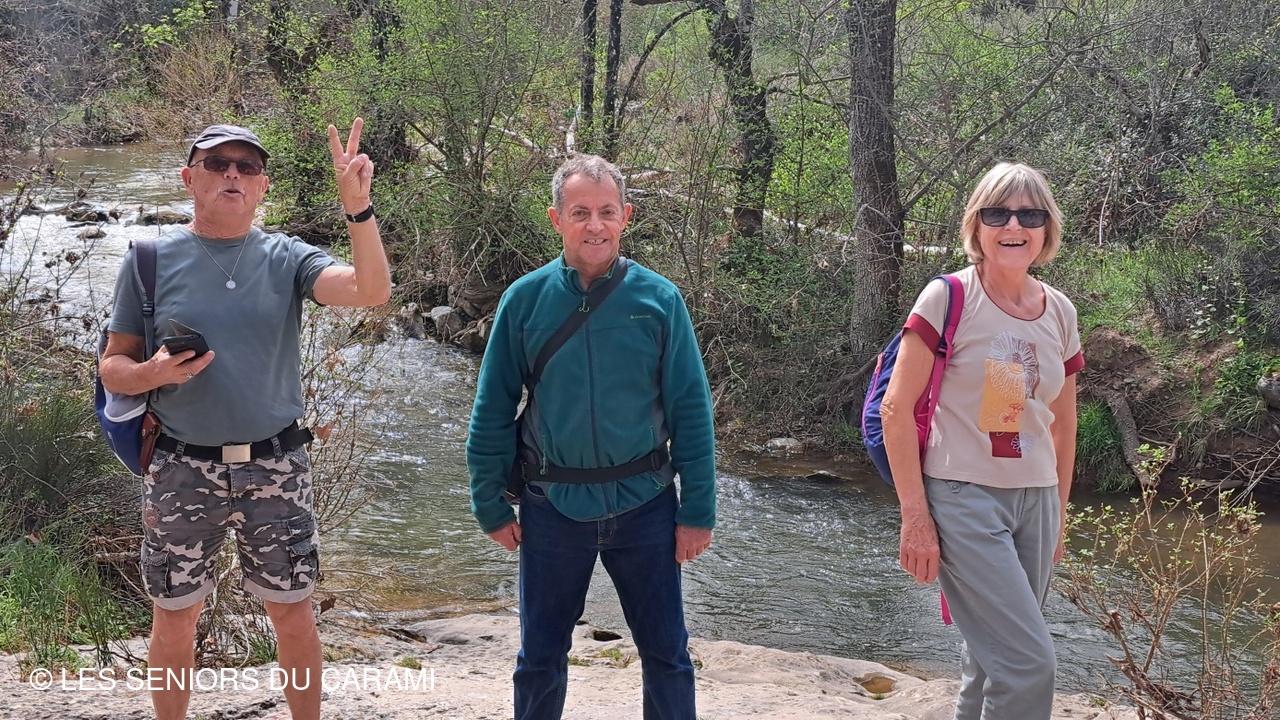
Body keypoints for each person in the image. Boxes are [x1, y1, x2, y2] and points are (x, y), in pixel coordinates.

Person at [100, 120, 391, 720]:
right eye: (217, 164)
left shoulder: (287, 257)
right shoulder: (148, 259)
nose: (233, 174)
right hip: (181, 468)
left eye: (247, 166)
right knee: (175, 617)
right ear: (189, 179)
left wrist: (358, 209)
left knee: (294, 614)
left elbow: (370, 291)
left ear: (262, 186)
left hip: (277, 465)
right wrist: (154, 372)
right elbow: (113, 369)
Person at [466, 154, 717, 720]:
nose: (595, 225)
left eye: (606, 211)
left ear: (626, 216)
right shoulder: (524, 301)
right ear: (557, 219)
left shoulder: (660, 301)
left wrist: (698, 510)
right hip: (552, 507)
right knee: (539, 658)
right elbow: (492, 408)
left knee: (668, 656)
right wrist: (489, 504)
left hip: (647, 505)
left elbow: (691, 411)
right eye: (580, 212)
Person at [881, 162, 1083, 720]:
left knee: (991, 661)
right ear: (977, 225)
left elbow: (1063, 425)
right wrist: (915, 517)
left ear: (1046, 228)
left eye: (1030, 215)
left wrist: (1059, 513)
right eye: (998, 213)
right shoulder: (947, 298)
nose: (1014, 226)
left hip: (1037, 499)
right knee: (1028, 665)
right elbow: (896, 410)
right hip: (962, 496)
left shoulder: (1060, 311)